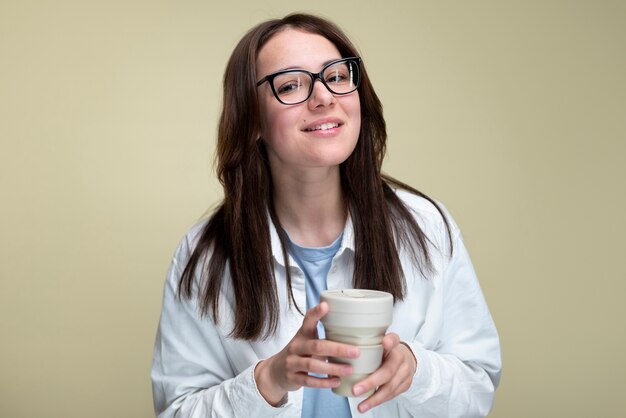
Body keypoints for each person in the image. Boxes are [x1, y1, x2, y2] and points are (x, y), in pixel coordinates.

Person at [151, 13, 501, 418]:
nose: (323, 98)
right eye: (290, 85)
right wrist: (268, 381)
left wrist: (417, 371)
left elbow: (479, 389)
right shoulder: (205, 256)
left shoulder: (427, 228)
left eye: (336, 76)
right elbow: (175, 411)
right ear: (252, 123)